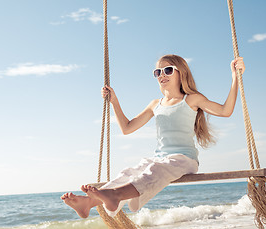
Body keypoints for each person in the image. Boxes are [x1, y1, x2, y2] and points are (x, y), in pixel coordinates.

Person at [61, 54, 245, 218]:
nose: (162, 75)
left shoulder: (191, 99)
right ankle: (88, 203)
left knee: (156, 171)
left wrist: (235, 76)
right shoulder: (155, 104)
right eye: (158, 72)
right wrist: (114, 101)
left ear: (181, 73)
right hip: (160, 158)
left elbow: (225, 110)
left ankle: (114, 196)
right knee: (129, 173)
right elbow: (126, 128)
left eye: (167, 70)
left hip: (184, 159)